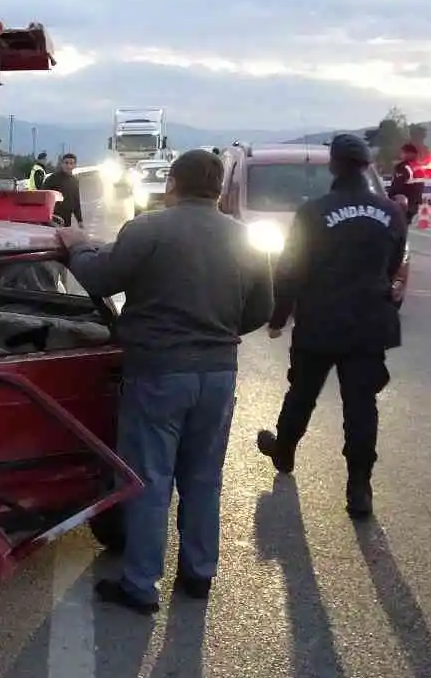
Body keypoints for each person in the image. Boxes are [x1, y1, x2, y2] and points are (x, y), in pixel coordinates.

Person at [59, 149, 273, 614]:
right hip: (218, 375)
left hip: (157, 372)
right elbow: (261, 309)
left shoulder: (149, 228)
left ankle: (140, 585)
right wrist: (220, 333)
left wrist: (76, 243)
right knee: (203, 477)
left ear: (172, 183)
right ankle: (198, 574)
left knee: (151, 479)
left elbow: (98, 277)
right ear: (218, 188)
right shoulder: (245, 239)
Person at [255, 133, 408, 520]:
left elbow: (289, 270)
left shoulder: (313, 212)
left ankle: (285, 450)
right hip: (369, 322)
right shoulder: (390, 212)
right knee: (361, 406)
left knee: (302, 392)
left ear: (334, 165)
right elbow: (392, 265)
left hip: (320, 322)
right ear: (365, 165)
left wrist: (277, 317)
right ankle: (360, 487)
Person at [39, 152, 83, 226]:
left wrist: (80, 221)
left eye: (71, 163)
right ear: (62, 164)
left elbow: (76, 202)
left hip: (67, 220)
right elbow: (43, 198)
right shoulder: (52, 179)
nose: (68, 166)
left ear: (75, 165)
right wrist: (46, 219)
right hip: (53, 219)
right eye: (66, 163)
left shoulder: (75, 181)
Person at [389, 142, 424, 223]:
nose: (401, 155)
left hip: (402, 204)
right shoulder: (418, 167)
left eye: (403, 152)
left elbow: (397, 186)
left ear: (409, 153)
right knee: (405, 226)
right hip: (414, 204)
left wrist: (389, 197)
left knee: (396, 228)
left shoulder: (403, 167)